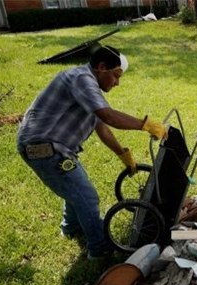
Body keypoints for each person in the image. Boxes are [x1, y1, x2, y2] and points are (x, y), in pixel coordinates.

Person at [17, 45, 167, 259]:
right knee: (86, 196)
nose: (117, 83)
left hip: (54, 148)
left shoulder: (87, 85)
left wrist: (122, 153)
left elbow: (101, 127)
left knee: (74, 187)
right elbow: (109, 117)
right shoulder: (81, 79)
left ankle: (71, 229)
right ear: (101, 67)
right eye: (116, 76)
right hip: (43, 149)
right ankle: (100, 249)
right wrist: (146, 125)